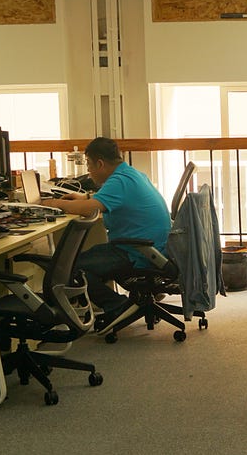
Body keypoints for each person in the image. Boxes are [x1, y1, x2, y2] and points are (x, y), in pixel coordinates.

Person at [47, 136, 172, 322]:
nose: (88, 171)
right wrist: (84, 197)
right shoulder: (131, 174)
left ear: (100, 164)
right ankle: (116, 304)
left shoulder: (119, 181)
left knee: (68, 268)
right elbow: (104, 199)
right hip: (152, 249)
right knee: (81, 260)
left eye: (89, 165)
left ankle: (117, 305)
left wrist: (52, 203)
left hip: (137, 253)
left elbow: (88, 209)